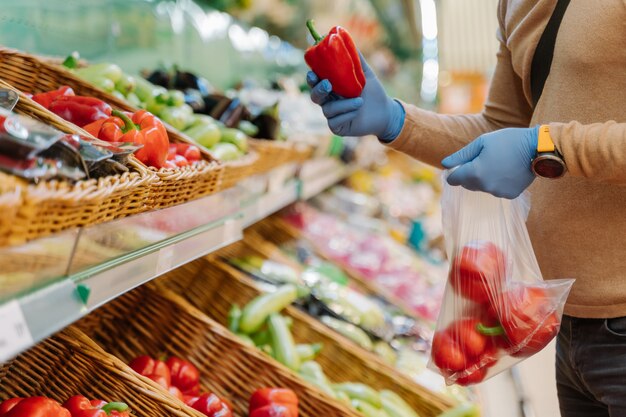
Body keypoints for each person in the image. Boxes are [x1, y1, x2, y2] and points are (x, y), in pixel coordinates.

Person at [306, 1, 626, 416]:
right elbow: (498, 129)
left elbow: (532, 140)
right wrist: (395, 121)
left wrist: (546, 146)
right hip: (568, 324)